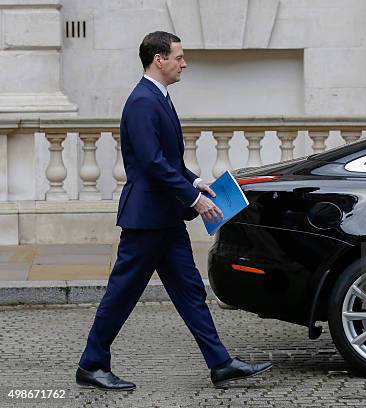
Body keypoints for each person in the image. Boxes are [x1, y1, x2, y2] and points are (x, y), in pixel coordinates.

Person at [76, 31, 272, 391]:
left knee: (190, 291)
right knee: (122, 294)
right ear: (158, 59)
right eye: (179, 57)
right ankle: (91, 365)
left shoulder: (158, 98)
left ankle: (220, 364)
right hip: (148, 221)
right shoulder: (142, 102)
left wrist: (196, 182)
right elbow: (151, 162)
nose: (184, 64)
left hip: (165, 219)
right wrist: (192, 198)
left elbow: (170, 160)